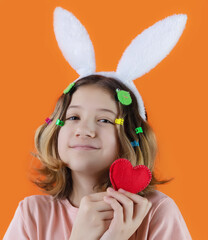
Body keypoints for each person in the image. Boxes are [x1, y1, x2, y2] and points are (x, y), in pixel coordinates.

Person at [4, 6, 190, 240]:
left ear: (131, 137)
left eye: (104, 120)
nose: (85, 130)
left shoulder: (156, 213)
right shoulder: (32, 214)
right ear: (56, 129)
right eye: (73, 117)